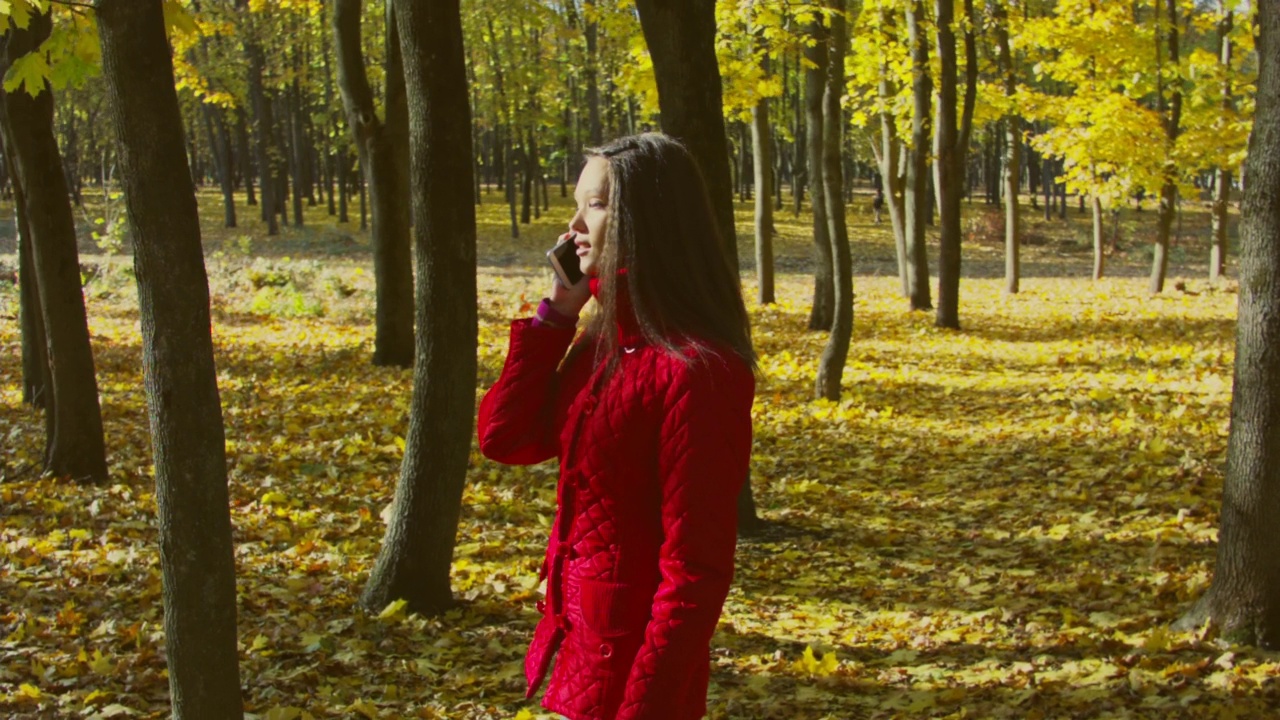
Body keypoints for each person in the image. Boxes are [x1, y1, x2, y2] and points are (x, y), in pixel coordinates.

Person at [476, 132, 757, 720]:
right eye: (578, 204)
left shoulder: (696, 372)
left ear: (648, 220)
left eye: (596, 205)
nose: (572, 225)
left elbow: (694, 576)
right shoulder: (600, 346)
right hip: (575, 649)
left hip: (632, 676)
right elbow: (506, 438)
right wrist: (555, 314)